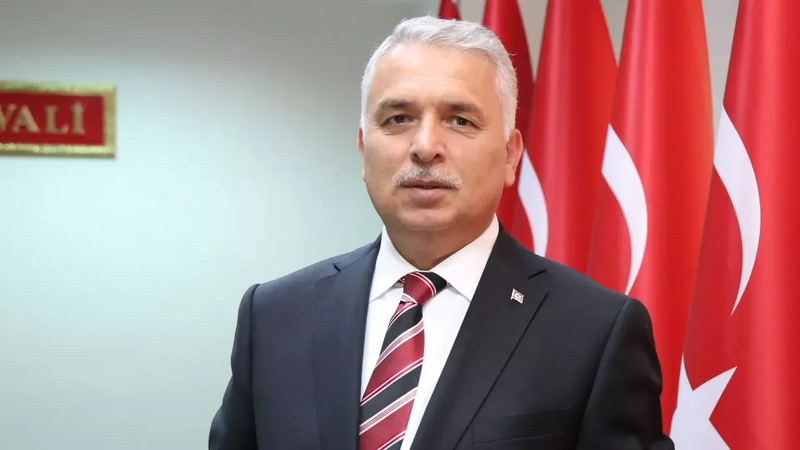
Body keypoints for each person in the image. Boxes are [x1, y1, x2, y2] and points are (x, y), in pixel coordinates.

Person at [209, 15, 674, 450]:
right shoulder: (274, 316)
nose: (425, 146)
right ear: (363, 149)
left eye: (460, 120)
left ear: (510, 156)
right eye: (398, 118)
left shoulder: (595, 331)